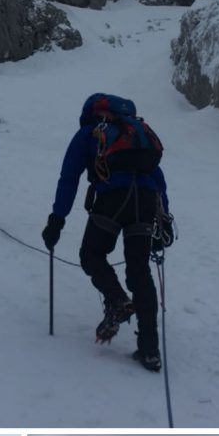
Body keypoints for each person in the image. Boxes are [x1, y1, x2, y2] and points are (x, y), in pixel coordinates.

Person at [42, 93, 174, 373]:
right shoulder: (136, 134)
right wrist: (164, 219)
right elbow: (157, 177)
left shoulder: (90, 132)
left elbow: (69, 176)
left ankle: (117, 301)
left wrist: (57, 219)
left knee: (91, 254)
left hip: (112, 198)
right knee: (139, 270)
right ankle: (150, 350)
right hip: (146, 202)